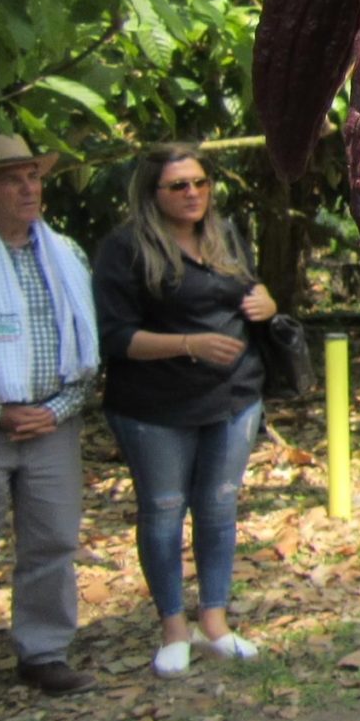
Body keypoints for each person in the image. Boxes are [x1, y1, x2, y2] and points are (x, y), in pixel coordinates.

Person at [93, 144, 276, 677]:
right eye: (178, 186)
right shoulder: (124, 249)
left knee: (219, 508)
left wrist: (266, 300)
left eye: (199, 182)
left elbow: (250, 288)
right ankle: (174, 628)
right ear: (152, 194)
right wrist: (188, 344)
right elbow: (115, 337)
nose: (193, 193)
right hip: (154, 406)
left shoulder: (225, 234)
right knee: (165, 510)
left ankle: (214, 622)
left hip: (233, 397)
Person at [0, 136, 99, 696]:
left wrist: (53, 410)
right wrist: (1, 412)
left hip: (52, 425)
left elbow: (87, 352)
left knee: (52, 540)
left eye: (33, 177)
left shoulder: (65, 255)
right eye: (13, 179)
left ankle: (43, 652)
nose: (28, 188)